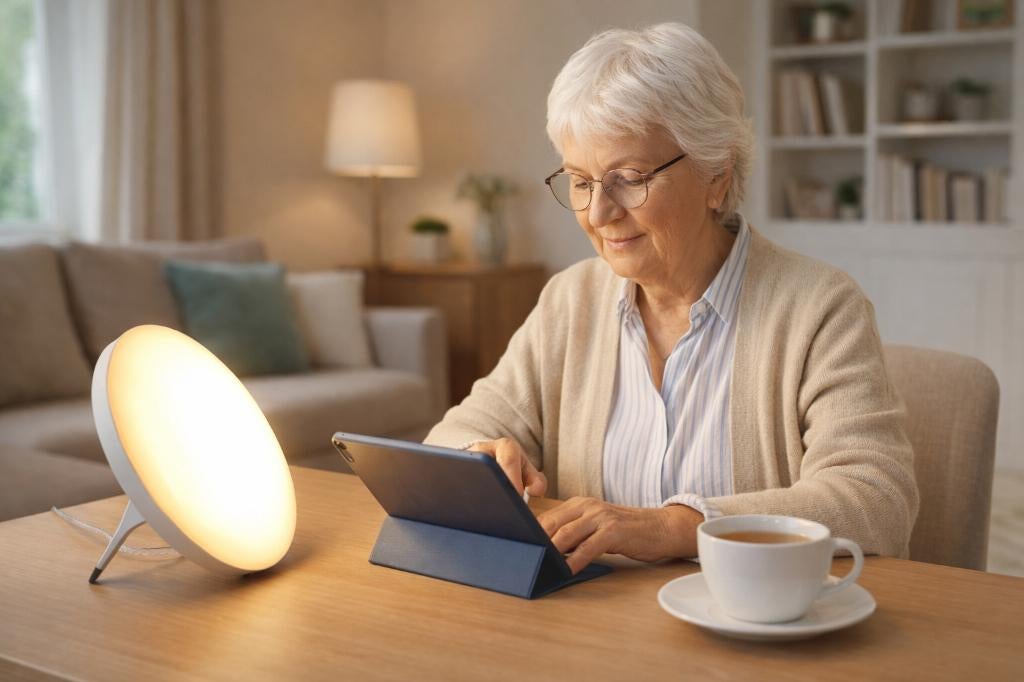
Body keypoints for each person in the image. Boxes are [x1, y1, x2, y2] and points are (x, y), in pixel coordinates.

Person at [425, 22, 919, 575]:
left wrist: (675, 527)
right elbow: (453, 433)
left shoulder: (820, 308)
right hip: (589, 632)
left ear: (715, 174)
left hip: (749, 632)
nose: (598, 213)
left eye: (629, 178)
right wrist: (480, 461)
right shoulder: (571, 300)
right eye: (581, 181)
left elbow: (876, 499)